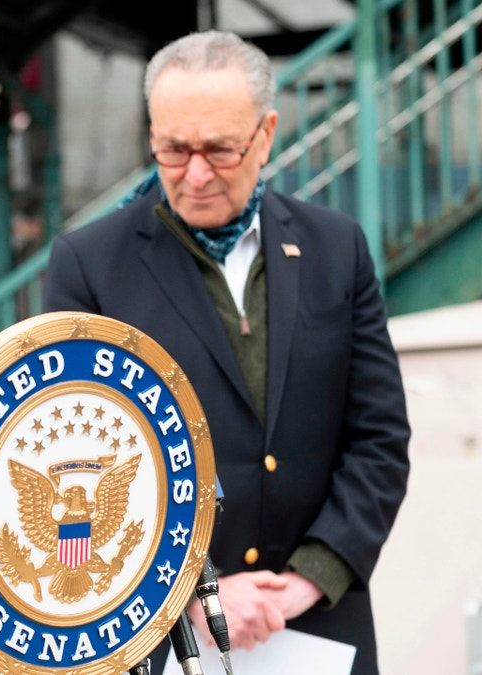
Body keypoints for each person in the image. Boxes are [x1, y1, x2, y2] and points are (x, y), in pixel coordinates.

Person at [43, 31, 409, 675]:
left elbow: (378, 437)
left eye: (219, 149)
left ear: (265, 135)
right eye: (174, 150)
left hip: (323, 623)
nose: (197, 173)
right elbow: (73, 464)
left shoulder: (336, 247)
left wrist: (311, 577)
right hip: (158, 637)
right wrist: (195, 592)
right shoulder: (88, 265)